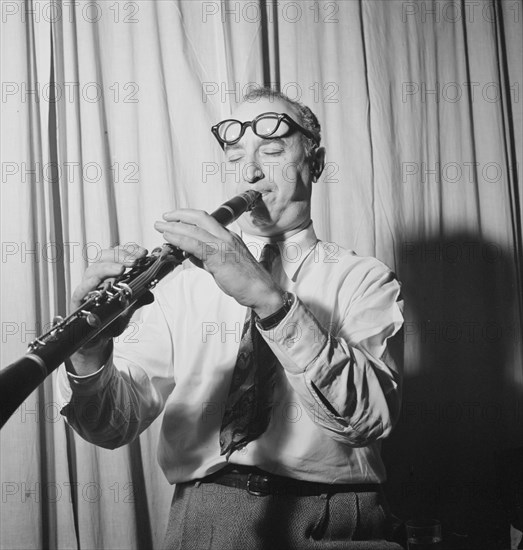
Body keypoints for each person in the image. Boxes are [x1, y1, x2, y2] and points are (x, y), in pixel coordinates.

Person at [58, 87, 404, 549]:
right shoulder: (180, 284)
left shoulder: (366, 279)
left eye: (274, 150)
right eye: (237, 155)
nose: (252, 170)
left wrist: (269, 299)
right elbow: (110, 427)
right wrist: (87, 350)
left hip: (333, 520)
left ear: (315, 164)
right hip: (203, 519)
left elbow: (367, 419)